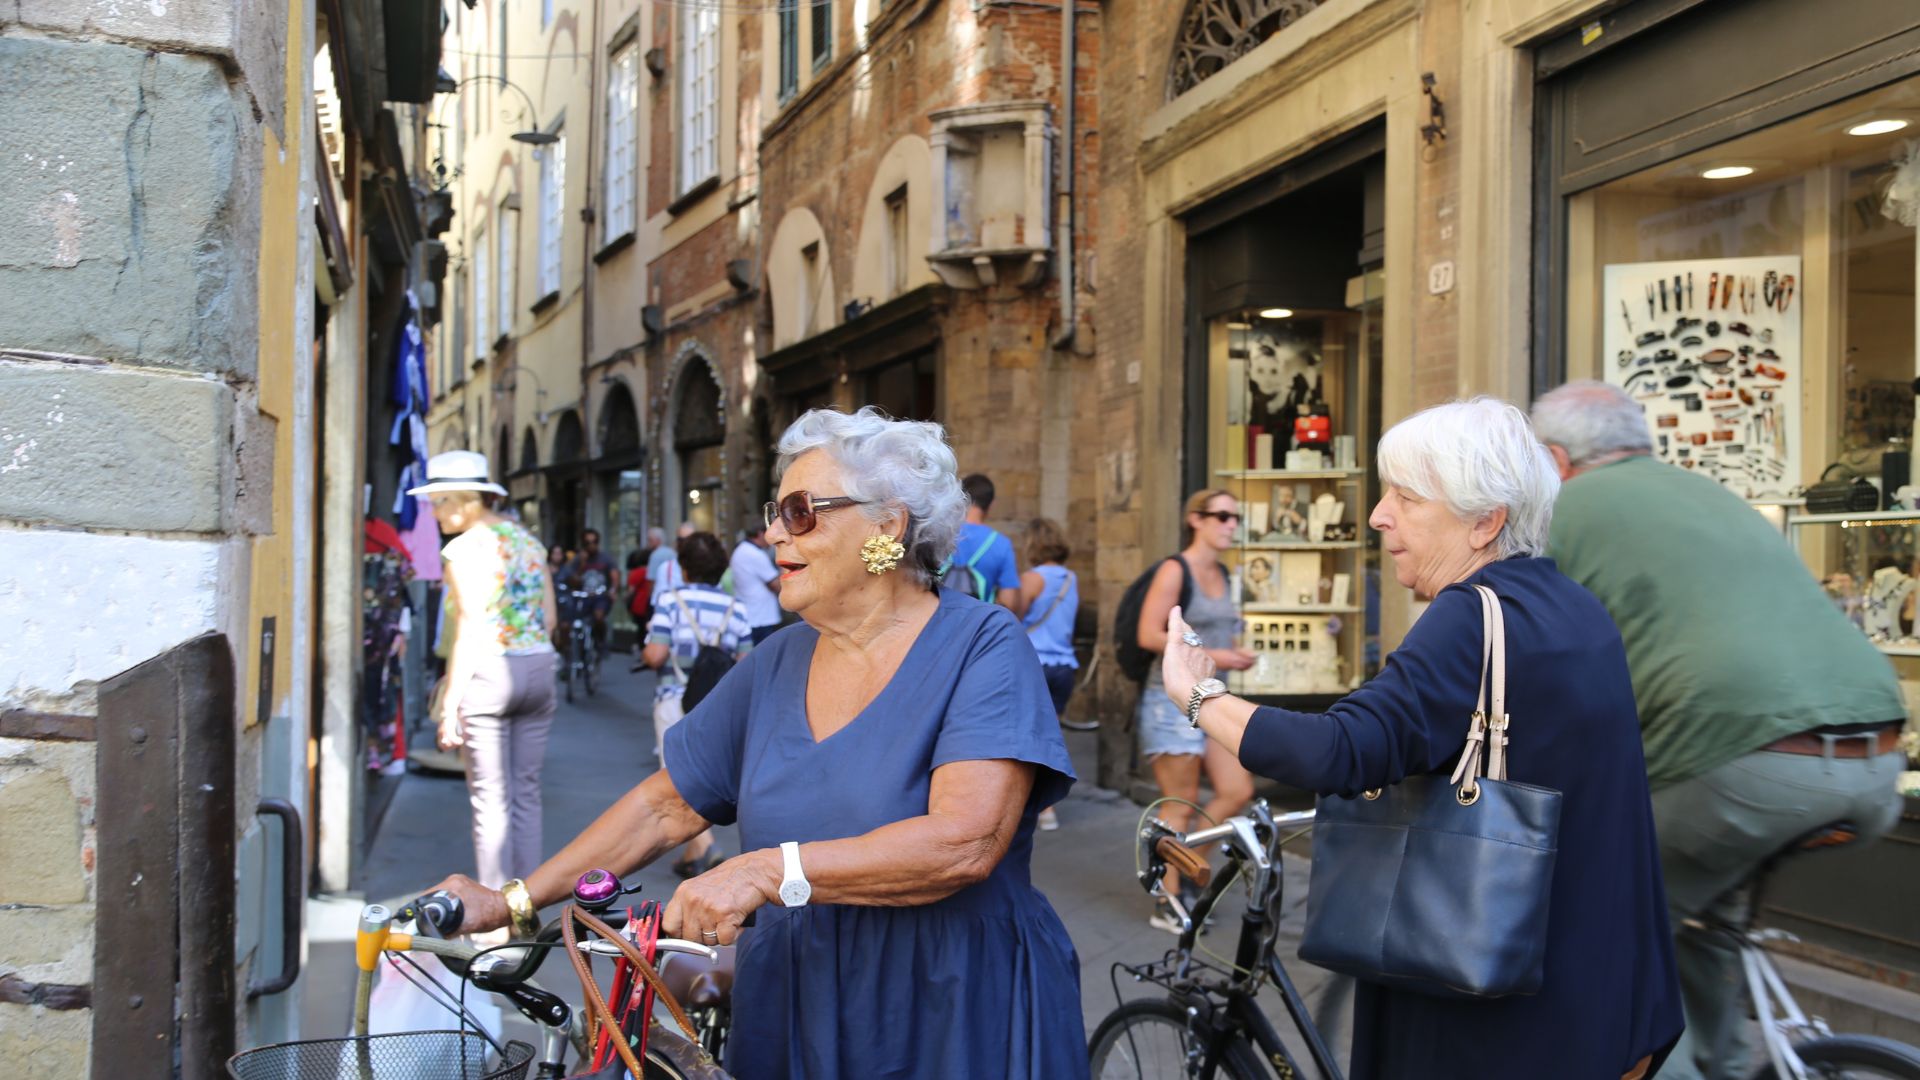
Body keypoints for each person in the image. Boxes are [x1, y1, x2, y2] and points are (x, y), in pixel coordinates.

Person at [429, 406, 1086, 1080]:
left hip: (949, 1002)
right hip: (796, 998)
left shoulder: (983, 644)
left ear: (886, 526)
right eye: (775, 511)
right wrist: (512, 901)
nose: (773, 532)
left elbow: (964, 843)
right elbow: (666, 806)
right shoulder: (776, 661)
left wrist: (767, 869)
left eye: (800, 511)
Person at [1161, 398, 1683, 1079]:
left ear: (1485, 521)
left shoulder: (1471, 616)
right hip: (1604, 997)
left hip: (1493, 1018)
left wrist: (1197, 694)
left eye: (1406, 498)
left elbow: (1340, 750)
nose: (1380, 516)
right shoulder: (1573, 607)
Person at [1532, 381, 1907, 1080]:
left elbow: (1528, 651)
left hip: (1750, 765)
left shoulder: (1566, 510)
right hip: (1875, 754)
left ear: (1554, 459)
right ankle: (1728, 1067)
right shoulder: (1709, 494)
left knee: (1600, 953)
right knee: (1698, 924)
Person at [409, 451, 559, 900]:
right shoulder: (528, 542)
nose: (434, 514)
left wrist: (450, 704)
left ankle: (495, 915)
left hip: (490, 673)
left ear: (461, 502)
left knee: (490, 801)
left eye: (437, 503)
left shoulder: (461, 550)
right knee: (526, 793)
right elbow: (549, 618)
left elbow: (471, 628)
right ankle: (527, 902)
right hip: (538, 669)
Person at [1135, 489, 1258, 932]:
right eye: (1221, 516)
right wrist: (1222, 656)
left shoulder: (1224, 574)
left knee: (1237, 790)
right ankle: (1167, 899)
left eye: (1234, 517)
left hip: (1212, 696)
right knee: (1180, 804)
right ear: (1196, 520)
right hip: (1169, 698)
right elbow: (1149, 634)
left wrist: (1228, 655)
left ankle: (1186, 869)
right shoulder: (1175, 569)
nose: (1230, 524)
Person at [642, 530, 753, 877]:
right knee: (702, 775)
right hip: (716, 707)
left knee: (675, 779)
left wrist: (650, 650)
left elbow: (656, 654)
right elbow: (746, 664)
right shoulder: (736, 609)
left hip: (675, 700)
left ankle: (708, 849)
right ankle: (691, 857)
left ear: (684, 568)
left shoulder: (670, 602)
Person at [1020, 517, 1086, 832]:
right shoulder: (1070, 578)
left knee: (1026, 734)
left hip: (1035, 663)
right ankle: (1048, 806)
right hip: (1064, 667)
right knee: (1051, 734)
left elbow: (1013, 613)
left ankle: (1036, 804)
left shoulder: (1032, 579)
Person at [944, 472, 1025, 614]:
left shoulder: (941, 535)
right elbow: (1009, 602)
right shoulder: (1001, 544)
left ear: (960, 499)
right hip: (978, 628)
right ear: (991, 505)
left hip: (939, 623)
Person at [730, 522, 784, 644]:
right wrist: (784, 565)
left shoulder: (740, 550)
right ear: (760, 534)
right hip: (761, 618)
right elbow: (777, 585)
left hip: (751, 614)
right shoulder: (755, 554)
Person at [565, 528, 616, 652]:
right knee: (572, 622)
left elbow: (614, 575)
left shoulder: (606, 558)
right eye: (588, 543)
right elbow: (572, 580)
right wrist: (582, 565)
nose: (592, 545)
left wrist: (613, 590)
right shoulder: (578, 560)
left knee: (599, 616)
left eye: (594, 542)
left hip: (599, 595)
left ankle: (600, 640)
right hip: (583, 596)